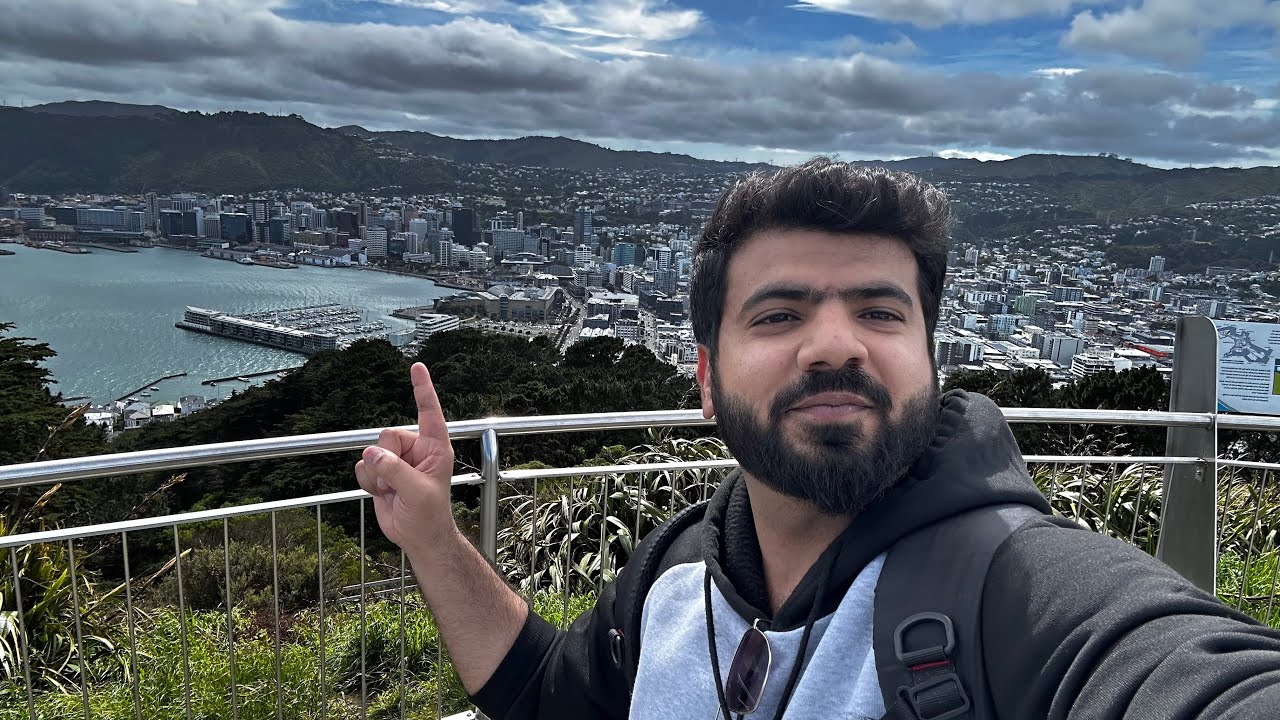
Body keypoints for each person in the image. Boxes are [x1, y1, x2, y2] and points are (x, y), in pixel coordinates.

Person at [355, 158, 1280, 719]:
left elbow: (1181, 676)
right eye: (780, 313)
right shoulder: (678, 574)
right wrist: (435, 538)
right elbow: (546, 699)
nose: (835, 343)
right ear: (707, 381)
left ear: (931, 359)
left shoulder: (1020, 593)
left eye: (880, 310)